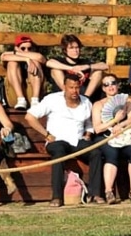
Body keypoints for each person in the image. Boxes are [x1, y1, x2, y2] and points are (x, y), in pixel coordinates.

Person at [24, 74, 104, 207]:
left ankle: (94, 194)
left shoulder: (85, 102)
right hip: (57, 140)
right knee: (59, 153)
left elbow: (89, 123)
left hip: (77, 140)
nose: (74, 91)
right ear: (64, 87)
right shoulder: (52, 99)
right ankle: (56, 196)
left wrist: (88, 134)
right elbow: (29, 117)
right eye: (71, 87)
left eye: (77, 88)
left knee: (96, 153)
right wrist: (46, 134)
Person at [92, 75, 131, 204]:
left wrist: (120, 125)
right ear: (103, 88)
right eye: (106, 84)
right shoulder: (98, 104)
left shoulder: (127, 100)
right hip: (106, 136)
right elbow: (97, 128)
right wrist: (115, 121)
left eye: (113, 83)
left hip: (126, 133)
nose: (110, 86)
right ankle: (109, 191)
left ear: (118, 84)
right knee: (111, 153)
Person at [46, 34, 108, 98]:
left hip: (83, 94)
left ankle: (86, 98)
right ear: (65, 50)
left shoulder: (85, 62)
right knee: (55, 70)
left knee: (98, 72)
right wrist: (72, 68)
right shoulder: (60, 62)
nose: (75, 50)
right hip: (64, 97)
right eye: (71, 48)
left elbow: (104, 66)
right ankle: (69, 95)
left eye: (77, 47)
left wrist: (87, 66)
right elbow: (48, 63)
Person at [1, 35, 45, 110]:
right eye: (23, 48)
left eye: (29, 48)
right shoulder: (11, 56)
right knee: (12, 63)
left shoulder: (36, 56)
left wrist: (18, 53)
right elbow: (3, 56)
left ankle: (35, 100)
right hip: (14, 95)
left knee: (36, 63)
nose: (26, 51)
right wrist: (26, 59)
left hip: (33, 94)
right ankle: (21, 99)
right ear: (16, 48)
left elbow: (40, 58)